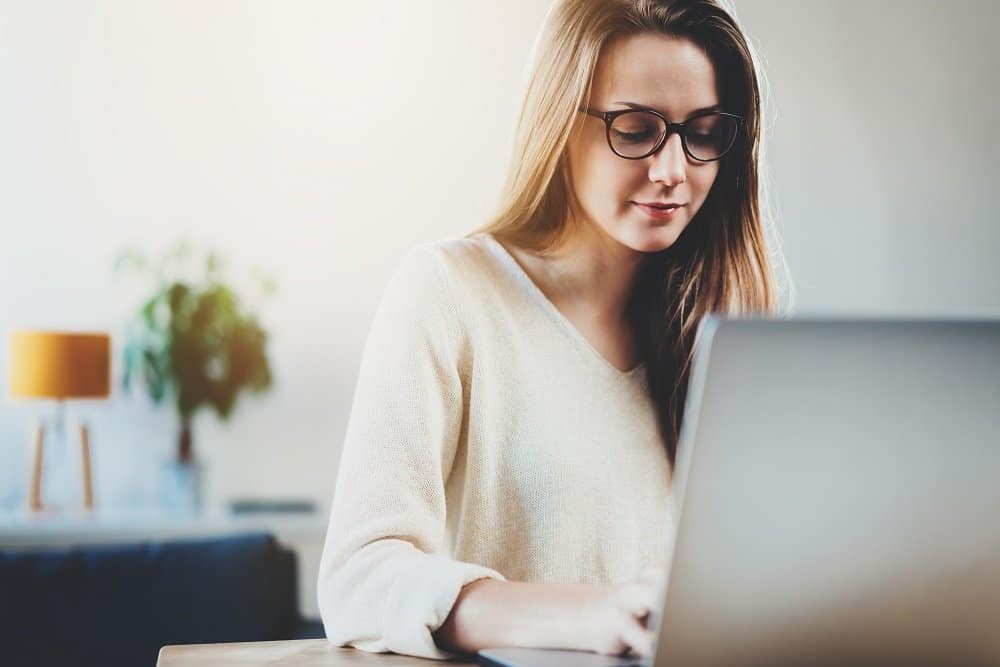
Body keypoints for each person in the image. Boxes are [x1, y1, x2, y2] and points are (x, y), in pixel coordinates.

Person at [318, 0, 780, 660]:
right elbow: (359, 578)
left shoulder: (716, 330)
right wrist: (591, 614)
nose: (673, 170)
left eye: (702, 133)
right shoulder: (450, 292)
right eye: (636, 128)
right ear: (560, 123)